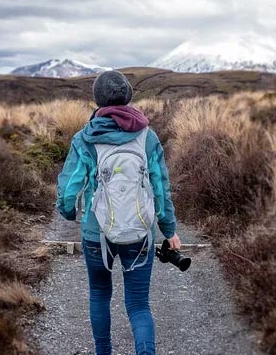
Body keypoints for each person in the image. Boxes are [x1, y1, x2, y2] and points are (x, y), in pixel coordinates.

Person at [56, 70, 180, 355]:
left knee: (100, 295)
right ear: (128, 97)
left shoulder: (85, 138)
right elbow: (160, 189)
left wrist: (67, 212)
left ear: (97, 100)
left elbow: (68, 189)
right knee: (138, 305)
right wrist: (169, 230)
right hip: (139, 233)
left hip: (95, 233)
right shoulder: (148, 137)